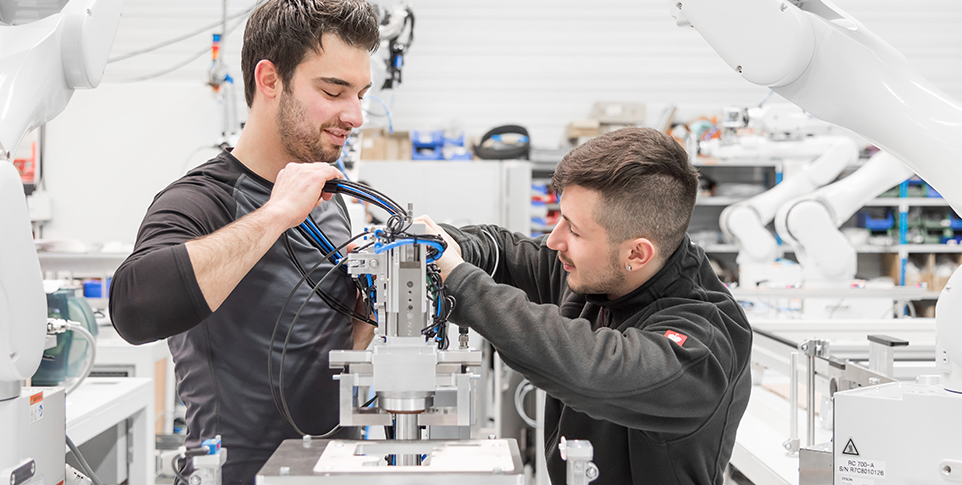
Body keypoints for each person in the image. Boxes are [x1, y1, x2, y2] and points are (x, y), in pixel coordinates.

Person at [108, 1, 380, 483]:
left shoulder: (329, 199)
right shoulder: (200, 200)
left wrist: (370, 316)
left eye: (360, 93)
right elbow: (134, 308)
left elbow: (324, 349)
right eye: (334, 90)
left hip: (330, 472)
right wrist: (276, 214)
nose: (355, 114)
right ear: (270, 80)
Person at [417, 127, 753, 485]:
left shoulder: (705, 342)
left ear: (637, 253)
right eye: (561, 218)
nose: (555, 239)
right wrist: (448, 245)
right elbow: (504, 251)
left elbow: (595, 367)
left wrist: (462, 284)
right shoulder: (595, 270)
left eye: (574, 231)